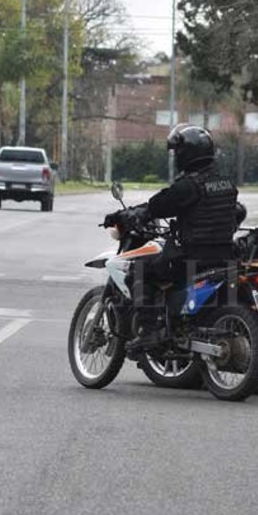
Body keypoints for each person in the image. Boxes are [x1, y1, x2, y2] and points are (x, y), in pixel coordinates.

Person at [104, 124, 239, 353]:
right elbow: (237, 212)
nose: (176, 157)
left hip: (193, 257)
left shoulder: (188, 186)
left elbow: (156, 206)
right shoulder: (227, 183)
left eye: (177, 152)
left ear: (187, 154)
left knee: (138, 270)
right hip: (225, 256)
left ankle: (149, 331)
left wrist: (124, 215)